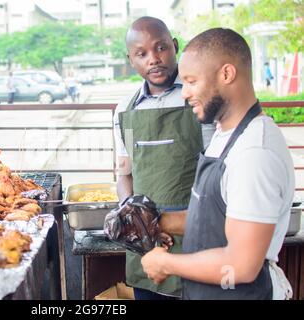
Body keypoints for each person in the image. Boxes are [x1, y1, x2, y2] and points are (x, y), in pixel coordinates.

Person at [141, 28, 294, 300]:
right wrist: (157, 222)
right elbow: (213, 217)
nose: (185, 93)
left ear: (226, 74)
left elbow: (242, 265)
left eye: (191, 81)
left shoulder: (254, 152)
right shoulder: (224, 134)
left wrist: (165, 263)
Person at [113, 16, 215, 300]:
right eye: (141, 54)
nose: (153, 59)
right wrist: (137, 223)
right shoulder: (125, 111)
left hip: (198, 233)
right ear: (131, 60)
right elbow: (124, 173)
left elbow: (218, 171)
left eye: (161, 48)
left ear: (175, 46)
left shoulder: (199, 99)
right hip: (146, 244)